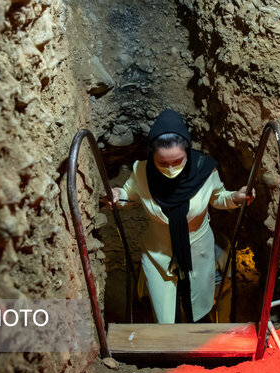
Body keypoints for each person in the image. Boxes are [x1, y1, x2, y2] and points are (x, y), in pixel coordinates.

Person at [109, 109, 254, 323]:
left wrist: (236, 196)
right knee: (166, 318)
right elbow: (127, 196)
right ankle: (173, 353)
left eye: (178, 161)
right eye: (162, 163)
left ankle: (199, 349)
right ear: (152, 157)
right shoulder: (142, 172)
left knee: (199, 308)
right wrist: (116, 195)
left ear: (188, 152)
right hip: (159, 255)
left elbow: (217, 197)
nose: (170, 168)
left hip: (198, 252)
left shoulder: (204, 170)